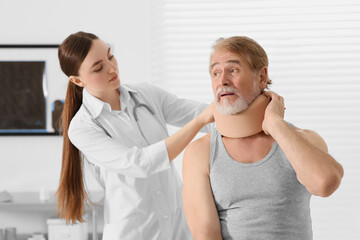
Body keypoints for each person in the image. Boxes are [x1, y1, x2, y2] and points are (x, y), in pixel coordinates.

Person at [55, 31, 214, 240]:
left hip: (178, 229)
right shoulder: (82, 128)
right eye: (98, 68)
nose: (112, 68)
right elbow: (139, 163)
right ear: (77, 80)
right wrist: (199, 122)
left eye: (110, 56)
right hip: (134, 233)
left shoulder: (146, 94)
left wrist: (249, 108)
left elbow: (201, 113)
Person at [182, 36, 344, 240]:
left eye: (233, 70)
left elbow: (325, 183)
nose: (222, 81)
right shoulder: (200, 152)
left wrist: (276, 124)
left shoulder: (303, 140)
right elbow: (205, 235)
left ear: (261, 77)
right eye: (215, 73)